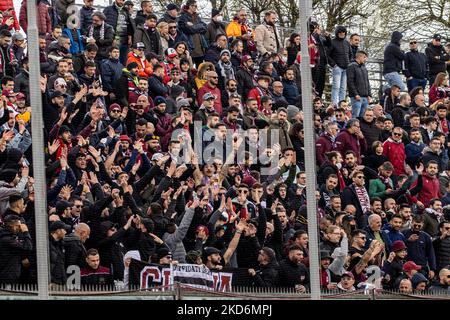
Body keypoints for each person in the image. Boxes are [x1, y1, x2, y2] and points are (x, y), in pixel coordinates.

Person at [0, 215, 32, 284]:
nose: (20, 228)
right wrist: (26, 232)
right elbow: (28, 247)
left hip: (12, 276)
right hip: (7, 277)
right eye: (18, 225)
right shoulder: (7, 240)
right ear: (12, 226)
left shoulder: (10, 238)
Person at [103, 0, 134, 65]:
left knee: (124, 61)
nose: (121, 2)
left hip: (125, 40)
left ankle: (122, 74)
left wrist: (130, 37)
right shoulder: (108, 9)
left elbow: (129, 25)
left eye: (123, 0)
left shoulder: (125, 11)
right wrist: (111, 38)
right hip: (113, 40)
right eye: (120, 0)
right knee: (114, 60)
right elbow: (103, 24)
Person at [178, 0, 208, 67]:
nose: (194, 7)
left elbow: (205, 28)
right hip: (190, 48)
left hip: (200, 49)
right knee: (190, 69)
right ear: (188, 6)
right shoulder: (183, 17)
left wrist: (194, 26)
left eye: (196, 6)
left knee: (200, 70)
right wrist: (198, 26)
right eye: (193, 5)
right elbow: (188, 29)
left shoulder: (197, 17)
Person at [327, 25, 352, 105]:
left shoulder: (347, 43)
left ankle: (342, 103)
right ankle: (334, 103)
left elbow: (350, 54)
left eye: (343, 33)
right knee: (336, 86)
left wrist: (350, 64)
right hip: (337, 68)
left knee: (343, 88)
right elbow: (327, 55)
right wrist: (334, 65)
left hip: (346, 68)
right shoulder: (332, 42)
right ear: (337, 33)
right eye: (340, 32)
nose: (342, 34)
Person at [347, 51, 372, 118]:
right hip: (356, 97)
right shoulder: (351, 66)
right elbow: (350, 82)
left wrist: (369, 95)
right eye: (364, 57)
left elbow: (367, 81)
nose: (365, 59)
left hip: (365, 97)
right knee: (355, 116)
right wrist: (356, 94)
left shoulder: (364, 68)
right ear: (359, 57)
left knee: (363, 117)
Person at [49, 221, 71, 286]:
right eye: (64, 230)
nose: (66, 232)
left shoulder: (61, 244)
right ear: (58, 231)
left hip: (61, 282)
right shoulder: (46, 245)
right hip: (51, 283)